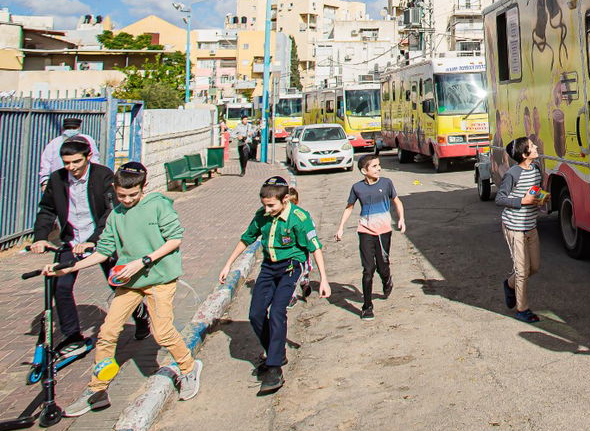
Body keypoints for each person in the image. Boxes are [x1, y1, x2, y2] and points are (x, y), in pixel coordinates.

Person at [50, 162, 202, 416]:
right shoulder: (115, 215)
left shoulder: (158, 206)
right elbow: (103, 251)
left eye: (133, 195)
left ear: (144, 188)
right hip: (130, 282)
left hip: (160, 278)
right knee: (108, 332)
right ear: (115, 190)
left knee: (163, 332)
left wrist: (144, 261)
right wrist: (67, 268)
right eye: (122, 195)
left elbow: (175, 239)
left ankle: (188, 368)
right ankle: (97, 388)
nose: (128, 200)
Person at [29, 139, 150, 356]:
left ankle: (141, 318)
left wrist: (94, 240)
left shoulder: (103, 176)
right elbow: (47, 210)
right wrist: (40, 238)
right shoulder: (57, 179)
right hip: (72, 241)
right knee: (61, 286)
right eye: (66, 163)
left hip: (102, 239)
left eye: (76, 161)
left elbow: (110, 212)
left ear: (88, 157)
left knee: (119, 285)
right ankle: (73, 336)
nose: (71, 167)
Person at [219, 177, 330, 395]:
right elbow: (247, 238)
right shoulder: (262, 216)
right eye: (264, 205)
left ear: (285, 199)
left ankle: (274, 367)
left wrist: (323, 279)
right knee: (256, 313)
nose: (267, 209)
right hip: (269, 267)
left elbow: (315, 247)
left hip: (291, 267)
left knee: (278, 311)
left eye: (272, 205)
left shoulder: (299, 218)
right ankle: (275, 352)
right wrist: (228, 264)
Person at [333, 155, 405, 321]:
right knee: (368, 270)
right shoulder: (357, 188)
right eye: (374, 166)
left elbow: (397, 201)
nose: (378, 169)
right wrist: (341, 228)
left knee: (382, 266)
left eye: (379, 165)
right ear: (364, 171)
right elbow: (349, 207)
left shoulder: (386, 183)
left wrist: (401, 219)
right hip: (365, 231)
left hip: (384, 231)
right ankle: (367, 307)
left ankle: (387, 280)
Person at [495, 136, 543, 323]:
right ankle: (522, 309)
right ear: (524, 154)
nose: (536, 146)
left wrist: (541, 197)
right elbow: (500, 198)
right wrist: (523, 201)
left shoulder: (536, 169)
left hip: (531, 225)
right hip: (514, 227)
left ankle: (509, 284)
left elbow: (535, 191)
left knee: (534, 267)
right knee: (522, 271)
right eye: (532, 146)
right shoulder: (513, 174)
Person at [37, 118, 98, 190]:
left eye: (73, 128)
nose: (71, 130)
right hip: (60, 181)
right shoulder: (54, 143)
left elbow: (94, 160)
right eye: (69, 128)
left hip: (83, 182)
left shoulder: (87, 140)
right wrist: (45, 182)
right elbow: (46, 163)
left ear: (78, 128)